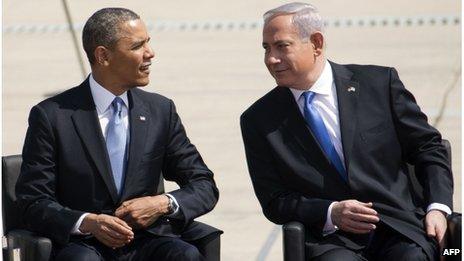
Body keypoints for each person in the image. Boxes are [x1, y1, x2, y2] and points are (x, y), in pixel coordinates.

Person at [240, 2, 453, 260]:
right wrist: (330, 212)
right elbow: (274, 200)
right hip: (330, 241)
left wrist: (438, 208)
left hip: (399, 228)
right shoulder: (258, 120)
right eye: (266, 48)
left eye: (282, 46)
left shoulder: (379, 85)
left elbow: (428, 148)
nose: (271, 59)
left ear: (317, 43)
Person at [16, 7, 220, 261]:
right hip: (85, 245)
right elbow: (32, 202)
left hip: (147, 240)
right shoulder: (52, 116)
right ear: (103, 56)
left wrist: (162, 203)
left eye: (148, 43)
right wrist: (88, 222)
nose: (150, 53)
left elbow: (204, 185)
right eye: (137, 46)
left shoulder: (160, 110)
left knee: (185, 256)